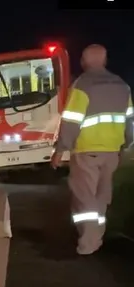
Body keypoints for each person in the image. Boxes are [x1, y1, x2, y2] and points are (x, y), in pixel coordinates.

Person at [51, 44, 134, 255]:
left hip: (87, 151)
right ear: (105, 61)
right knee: (102, 197)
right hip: (112, 152)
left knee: (85, 197)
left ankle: (89, 244)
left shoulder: (82, 86)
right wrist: (127, 144)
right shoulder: (123, 86)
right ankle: (96, 237)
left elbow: (71, 121)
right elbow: (130, 120)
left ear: (84, 62)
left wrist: (60, 150)